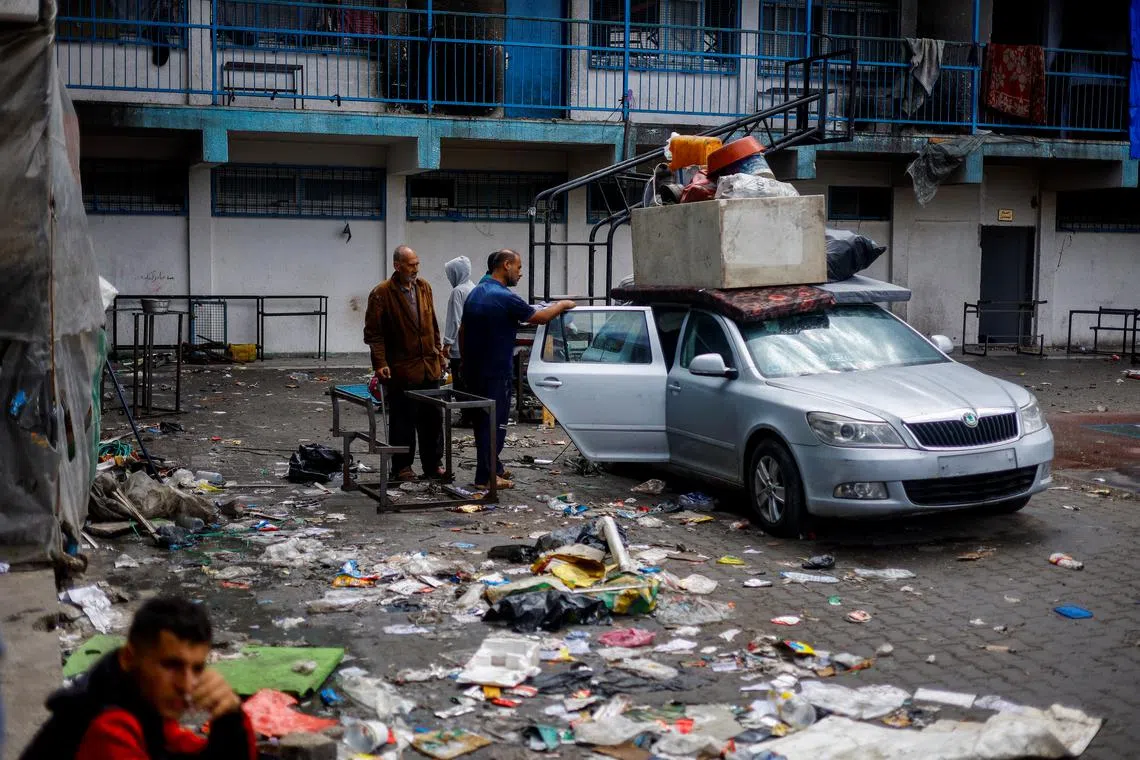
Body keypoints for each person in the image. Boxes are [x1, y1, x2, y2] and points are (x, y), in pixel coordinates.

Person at [20, 596, 255, 759]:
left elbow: (182, 748)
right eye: (171, 665)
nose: (186, 685)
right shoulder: (107, 726)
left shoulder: (138, 695)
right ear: (129, 658)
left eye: (197, 669)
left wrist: (230, 718)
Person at [461, 249, 575, 489]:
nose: (520, 273)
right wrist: (563, 304)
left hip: (475, 370)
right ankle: (485, 477)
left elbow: (463, 331)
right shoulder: (504, 296)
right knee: (495, 425)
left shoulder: (476, 293)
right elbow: (541, 317)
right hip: (496, 372)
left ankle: (494, 467)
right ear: (506, 265)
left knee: (483, 422)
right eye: (519, 267)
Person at [364, 245, 446, 481]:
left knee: (432, 419)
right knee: (403, 420)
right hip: (402, 368)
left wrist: (439, 353)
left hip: (428, 366)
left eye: (417, 264)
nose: (415, 269)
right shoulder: (382, 293)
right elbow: (374, 334)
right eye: (411, 265)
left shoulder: (424, 287)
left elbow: (433, 324)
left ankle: (433, 465)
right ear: (397, 266)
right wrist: (380, 362)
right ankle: (402, 467)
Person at [442, 255, 476, 427]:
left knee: (460, 384)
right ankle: (472, 415)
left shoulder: (458, 292)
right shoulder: (474, 288)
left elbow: (455, 320)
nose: (449, 278)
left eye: (450, 274)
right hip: (472, 344)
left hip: (458, 347)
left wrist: (447, 343)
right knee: (470, 383)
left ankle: (466, 416)